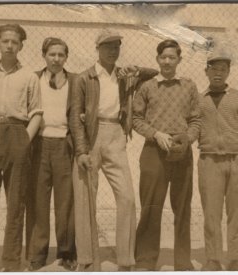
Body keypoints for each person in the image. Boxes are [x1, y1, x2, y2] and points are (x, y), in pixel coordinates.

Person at [69, 29, 158, 272]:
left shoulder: (123, 76)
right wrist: (81, 151)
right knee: (86, 198)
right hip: (90, 135)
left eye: (116, 46)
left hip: (116, 134)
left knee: (127, 198)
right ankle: (86, 259)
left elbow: (154, 73)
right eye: (107, 46)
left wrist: (135, 70)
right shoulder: (83, 78)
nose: (112, 51)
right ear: (97, 49)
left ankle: (126, 259)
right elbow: (75, 118)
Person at [0, 24, 42, 272]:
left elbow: (36, 114)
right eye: (5, 41)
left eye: (14, 41)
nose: (10, 45)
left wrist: (24, 141)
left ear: (21, 45)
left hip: (17, 134)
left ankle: (11, 262)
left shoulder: (30, 77)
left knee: (15, 203)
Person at [132, 39, 201, 271]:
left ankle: (182, 262)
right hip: (154, 151)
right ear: (157, 59)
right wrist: (155, 134)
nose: (168, 61)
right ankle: (145, 260)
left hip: (182, 152)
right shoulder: (147, 86)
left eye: (172, 57)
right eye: (164, 57)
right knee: (151, 206)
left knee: (182, 208)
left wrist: (187, 138)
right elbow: (136, 119)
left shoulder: (189, 86)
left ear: (179, 60)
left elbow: (195, 120)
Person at [198, 52, 238, 271]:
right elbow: (193, 127)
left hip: (237, 161)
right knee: (211, 213)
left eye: (222, 69)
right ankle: (213, 258)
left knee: (236, 211)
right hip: (209, 162)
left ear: (228, 72)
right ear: (206, 71)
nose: (218, 73)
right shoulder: (199, 99)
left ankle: (235, 258)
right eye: (213, 69)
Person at [26, 37, 77, 271]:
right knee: (38, 201)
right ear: (44, 55)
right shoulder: (33, 79)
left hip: (64, 146)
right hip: (39, 145)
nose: (56, 59)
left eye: (61, 55)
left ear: (66, 57)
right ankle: (37, 253)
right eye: (52, 54)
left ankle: (67, 252)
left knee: (65, 202)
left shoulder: (75, 81)